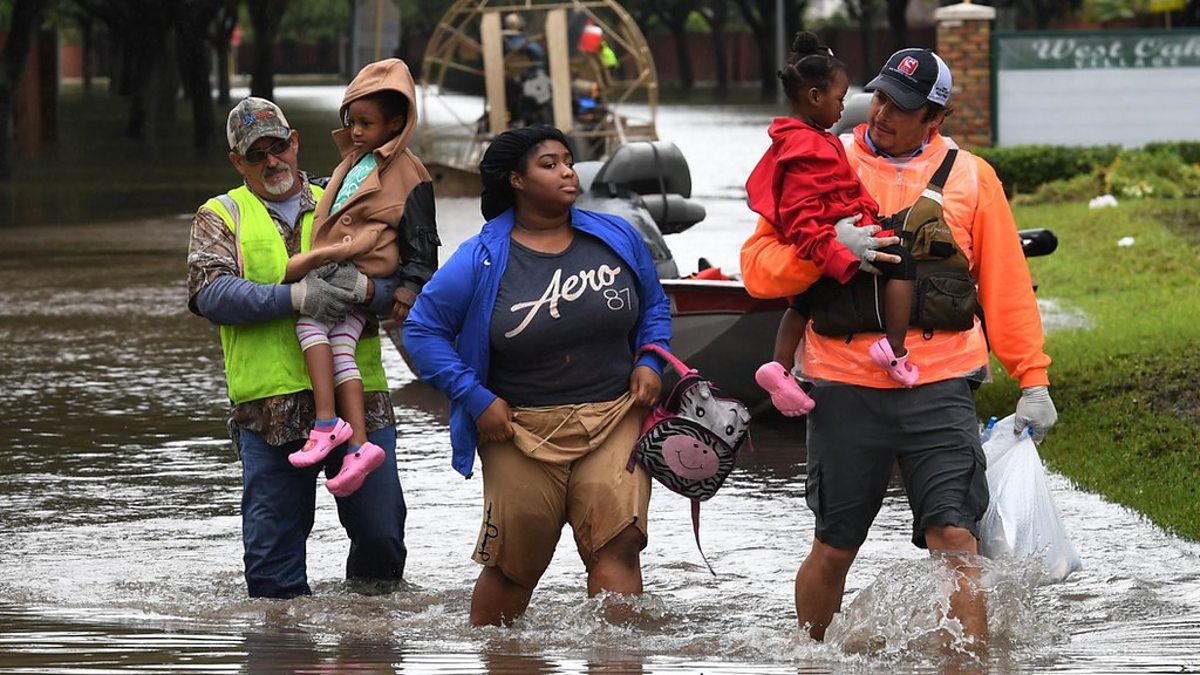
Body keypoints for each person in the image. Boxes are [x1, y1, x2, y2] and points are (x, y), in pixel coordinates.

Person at [739, 48, 1059, 647]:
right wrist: (828, 247)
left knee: (956, 540)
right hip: (841, 384)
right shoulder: (816, 160)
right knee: (835, 546)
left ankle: (969, 663)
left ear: (934, 116)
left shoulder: (973, 177)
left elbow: (1005, 285)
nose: (882, 112)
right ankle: (812, 657)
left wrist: (1032, 378)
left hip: (939, 384)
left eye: (902, 106)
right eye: (880, 95)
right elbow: (758, 270)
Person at [402, 124, 671, 626]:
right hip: (517, 429)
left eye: (568, 160)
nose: (567, 171)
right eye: (549, 164)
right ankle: (499, 657)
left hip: (615, 417)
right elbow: (422, 331)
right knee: (514, 568)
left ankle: (615, 661)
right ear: (517, 181)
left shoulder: (618, 237)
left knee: (620, 546)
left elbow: (654, 306)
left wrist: (650, 360)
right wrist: (476, 399)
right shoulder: (481, 257)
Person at [186, 96, 427, 599]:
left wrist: (364, 292)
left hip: (360, 403)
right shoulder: (220, 214)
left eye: (279, 147)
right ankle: (281, 651)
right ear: (238, 162)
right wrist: (295, 296)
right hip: (268, 411)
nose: (272, 161)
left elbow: (401, 281)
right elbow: (210, 293)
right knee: (274, 566)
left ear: (295, 143)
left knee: (382, 540)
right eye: (257, 155)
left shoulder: (343, 197)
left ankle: (370, 640)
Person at [282, 58, 440, 498]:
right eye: (351, 121)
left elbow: (423, 240)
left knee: (310, 325)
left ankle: (328, 424)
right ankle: (357, 445)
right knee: (340, 347)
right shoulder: (354, 162)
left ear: (396, 123)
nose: (355, 131)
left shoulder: (409, 173)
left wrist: (408, 290)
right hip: (343, 270)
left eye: (366, 123)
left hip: (361, 271)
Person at [747, 32, 919, 420]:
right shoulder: (810, 145)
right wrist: (830, 244)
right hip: (827, 240)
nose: (844, 108)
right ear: (814, 97)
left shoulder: (793, 142)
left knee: (804, 301)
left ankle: (779, 367)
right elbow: (806, 202)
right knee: (903, 264)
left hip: (825, 239)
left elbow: (828, 191)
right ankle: (895, 349)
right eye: (840, 99)